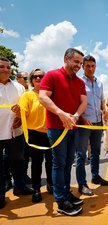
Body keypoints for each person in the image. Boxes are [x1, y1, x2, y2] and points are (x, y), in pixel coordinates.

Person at [39, 48, 87, 216]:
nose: (79, 66)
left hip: (73, 128)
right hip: (57, 129)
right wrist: (61, 113)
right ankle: (61, 201)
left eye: (80, 63)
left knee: (68, 162)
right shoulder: (52, 75)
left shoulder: (80, 82)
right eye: (76, 62)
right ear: (66, 59)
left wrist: (75, 115)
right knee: (59, 163)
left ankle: (66, 193)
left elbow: (83, 102)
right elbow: (43, 97)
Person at [0, 57, 33, 209]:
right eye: (2, 67)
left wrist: (20, 115)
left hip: (15, 131)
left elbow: (24, 106)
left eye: (8, 67)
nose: (6, 69)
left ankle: (20, 186)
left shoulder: (19, 87)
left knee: (19, 160)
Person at [75, 55, 108, 196]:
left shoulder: (99, 83)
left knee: (96, 152)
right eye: (87, 66)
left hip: (97, 123)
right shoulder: (77, 82)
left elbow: (102, 101)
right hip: (83, 124)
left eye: (92, 66)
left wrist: (105, 110)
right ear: (82, 66)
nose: (90, 68)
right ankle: (82, 184)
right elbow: (74, 103)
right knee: (81, 154)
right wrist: (81, 118)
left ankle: (95, 177)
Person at [19, 68, 53, 203]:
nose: (38, 79)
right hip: (34, 134)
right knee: (37, 163)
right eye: (35, 77)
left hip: (51, 133)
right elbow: (23, 112)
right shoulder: (27, 95)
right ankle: (37, 189)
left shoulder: (50, 94)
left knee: (51, 162)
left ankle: (51, 184)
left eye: (41, 76)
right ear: (31, 80)